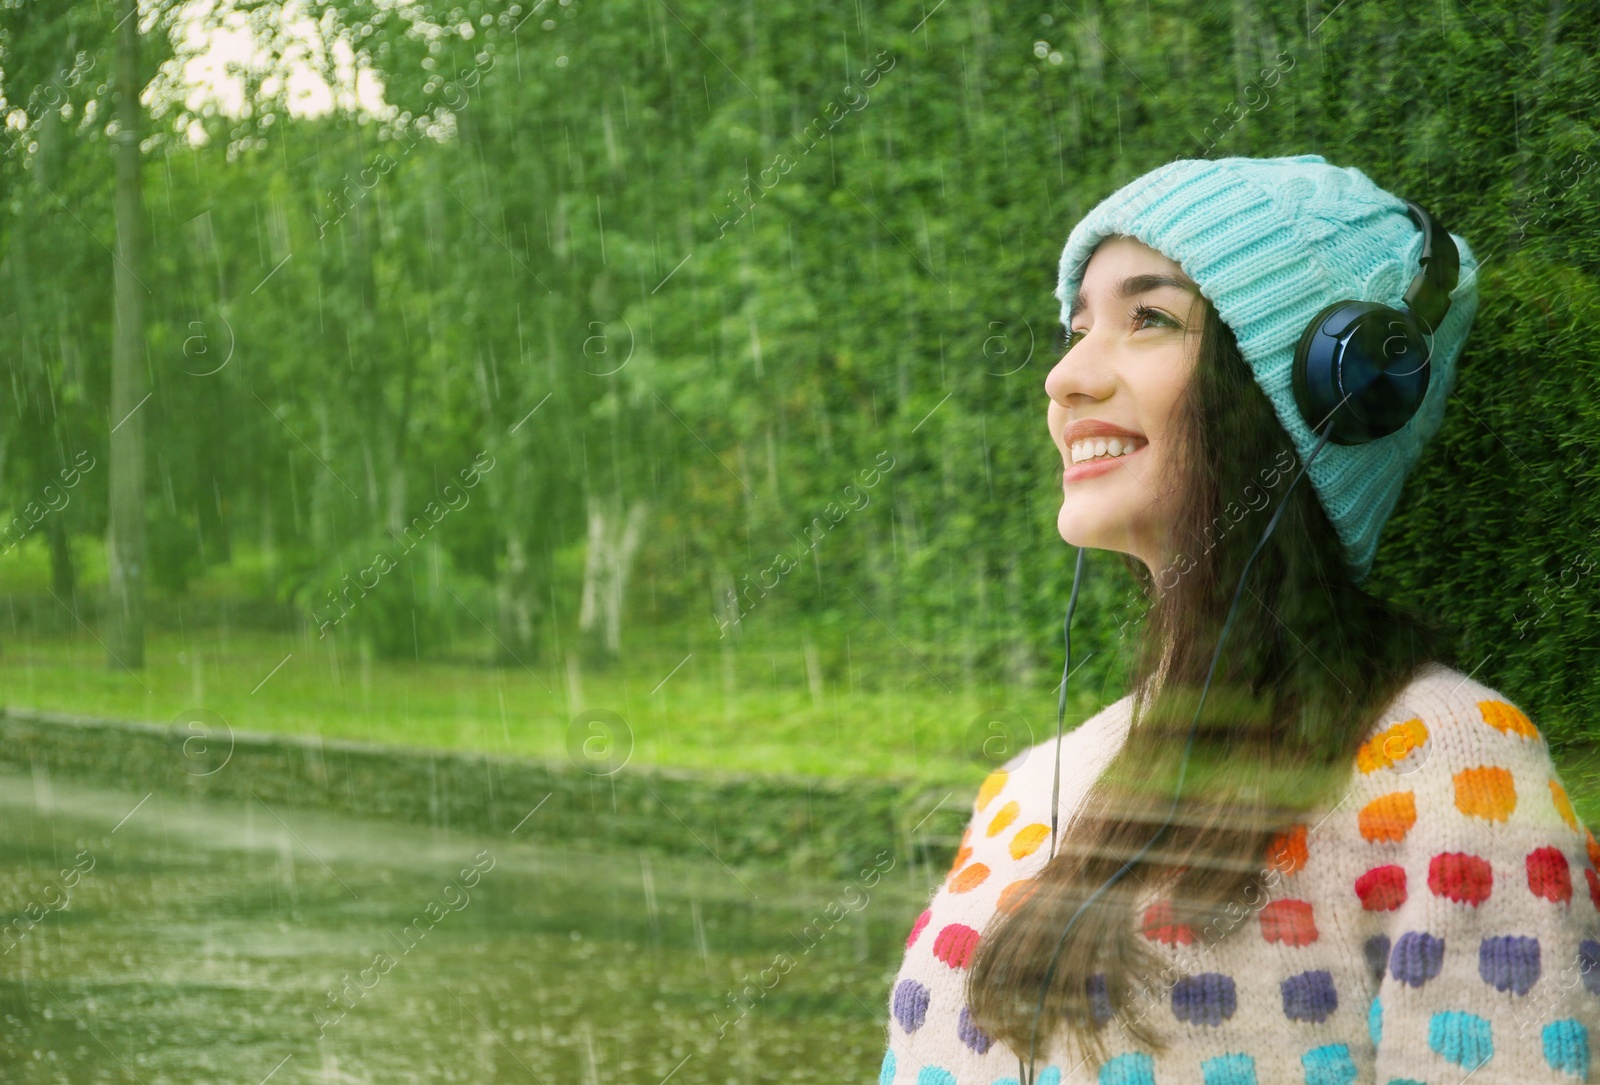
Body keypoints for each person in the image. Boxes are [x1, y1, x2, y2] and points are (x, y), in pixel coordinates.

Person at [877, 154, 1600, 1085]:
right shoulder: (1026, 790)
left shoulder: (1456, 772)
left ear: (1336, 389)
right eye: (1077, 325)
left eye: (1149, 319)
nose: (1064, 377)